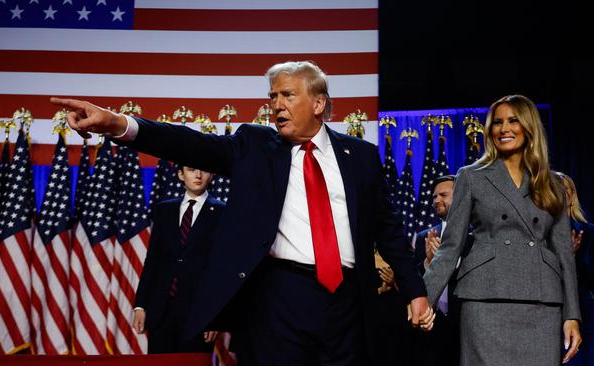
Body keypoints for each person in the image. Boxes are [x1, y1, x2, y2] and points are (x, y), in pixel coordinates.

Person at [52, 60, 433, 365]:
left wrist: (415, 291)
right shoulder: (255, 145)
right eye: (273, 96)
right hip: (279, 297)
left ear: (318, 104)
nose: (276, 105)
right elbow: (188, 143)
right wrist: (118, 124)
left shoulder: (360, 155)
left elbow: (389, 228)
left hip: (350, 302)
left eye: (287, 95)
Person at [423, 94, 581, 365]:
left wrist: (572, 315)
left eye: (513, 121)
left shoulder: (552, 183)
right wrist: (424, 298)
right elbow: (451, 247)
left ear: (529, 127)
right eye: (497, 122)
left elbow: (564, 256)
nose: (503, 128)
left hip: (541, 303)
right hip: (485, 299)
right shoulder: (470, 176)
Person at [132, 165, 225, 353]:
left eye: (203, 170)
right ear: (181, 175)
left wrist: (216, 318)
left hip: (199, 315)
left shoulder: (223, 212)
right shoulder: (164, 210)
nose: (198, 175)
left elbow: (222, 270)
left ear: (212, 174)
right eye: (191, 169)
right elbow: (153, 261)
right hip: (161, 311)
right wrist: (140, 305)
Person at [413, 175, 472, 366]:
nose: (437, 200)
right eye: (434, 196)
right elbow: (415, 280)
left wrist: (446, 262)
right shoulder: (425, 236)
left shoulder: (477, 235)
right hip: (432, 325)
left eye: (443, 195)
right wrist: (428, 264)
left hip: (465, 324)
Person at [556, 172, 594, 366]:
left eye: (562, 189)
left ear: (571, 195)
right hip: (541, 322)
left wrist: (573, 257)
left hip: (583, 320)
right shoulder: (533, 235)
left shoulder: (591, 233)